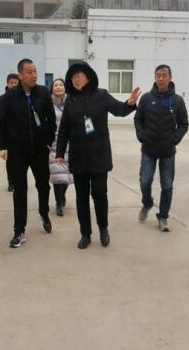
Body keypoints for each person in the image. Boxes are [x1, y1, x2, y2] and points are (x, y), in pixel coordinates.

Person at [56, 62, 140, 249]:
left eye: (79, 75)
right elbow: (64, 129)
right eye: (73, 76)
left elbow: (118, 110)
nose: (76, 79)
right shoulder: (70, 100)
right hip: (78, 156)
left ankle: (103, 229)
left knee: (100, 194)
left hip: (99, 155)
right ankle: (85, 233)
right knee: (81, 198)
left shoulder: (101, 95)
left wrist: (130, 103)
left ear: (88, 77)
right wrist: (60, 152)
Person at [0, 59, 56, 248]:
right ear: (20, 75)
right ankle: (19, 230)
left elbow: (51, 120)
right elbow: (2, 123)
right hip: (18, 152)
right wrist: (3, 146)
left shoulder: (43, 93)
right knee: (20, 190)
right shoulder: (8, 97)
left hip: (39, 150)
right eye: (29, 72)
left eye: (35, 71)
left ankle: (44, 212)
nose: (34, 75)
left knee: (43, 186)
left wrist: (48, 142)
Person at [134, 65, 189, 232]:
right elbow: (138, 119)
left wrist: (175, 139)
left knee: (167, 186)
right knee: (145, 181)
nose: (161, 78)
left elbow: (184, 124)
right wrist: (141, 135)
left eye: (164, 75)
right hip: (148, 148)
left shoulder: (177, 100)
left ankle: (163, 216)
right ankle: (147, 203)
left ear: (170, 77)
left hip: (167, 150)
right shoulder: (146, 98)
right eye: (158, 75)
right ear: (155, 77)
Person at [48, 78, 73, 217]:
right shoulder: (48, 104)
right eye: (55, 85)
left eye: (61, 85)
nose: (58, 87)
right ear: (52, 89)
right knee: (57, 174)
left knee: (67, 174)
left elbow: (84, 117)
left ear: (65, 88)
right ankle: (58, 202)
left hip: (71, 143)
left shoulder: (72, 102)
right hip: (54, 144)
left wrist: (90, 132)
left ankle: (62, 194)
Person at [0, 73, 20, 192]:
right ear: (7, 84)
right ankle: (11, 182)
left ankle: (20, 181)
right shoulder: (3, 98)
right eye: (11, 83)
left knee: (21, 161)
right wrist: (2, 142)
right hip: (9, 136)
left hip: (22, 135)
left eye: (16, 83)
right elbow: (0, 119)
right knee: (10, 161)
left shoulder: (24, 97)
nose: (14, 85)